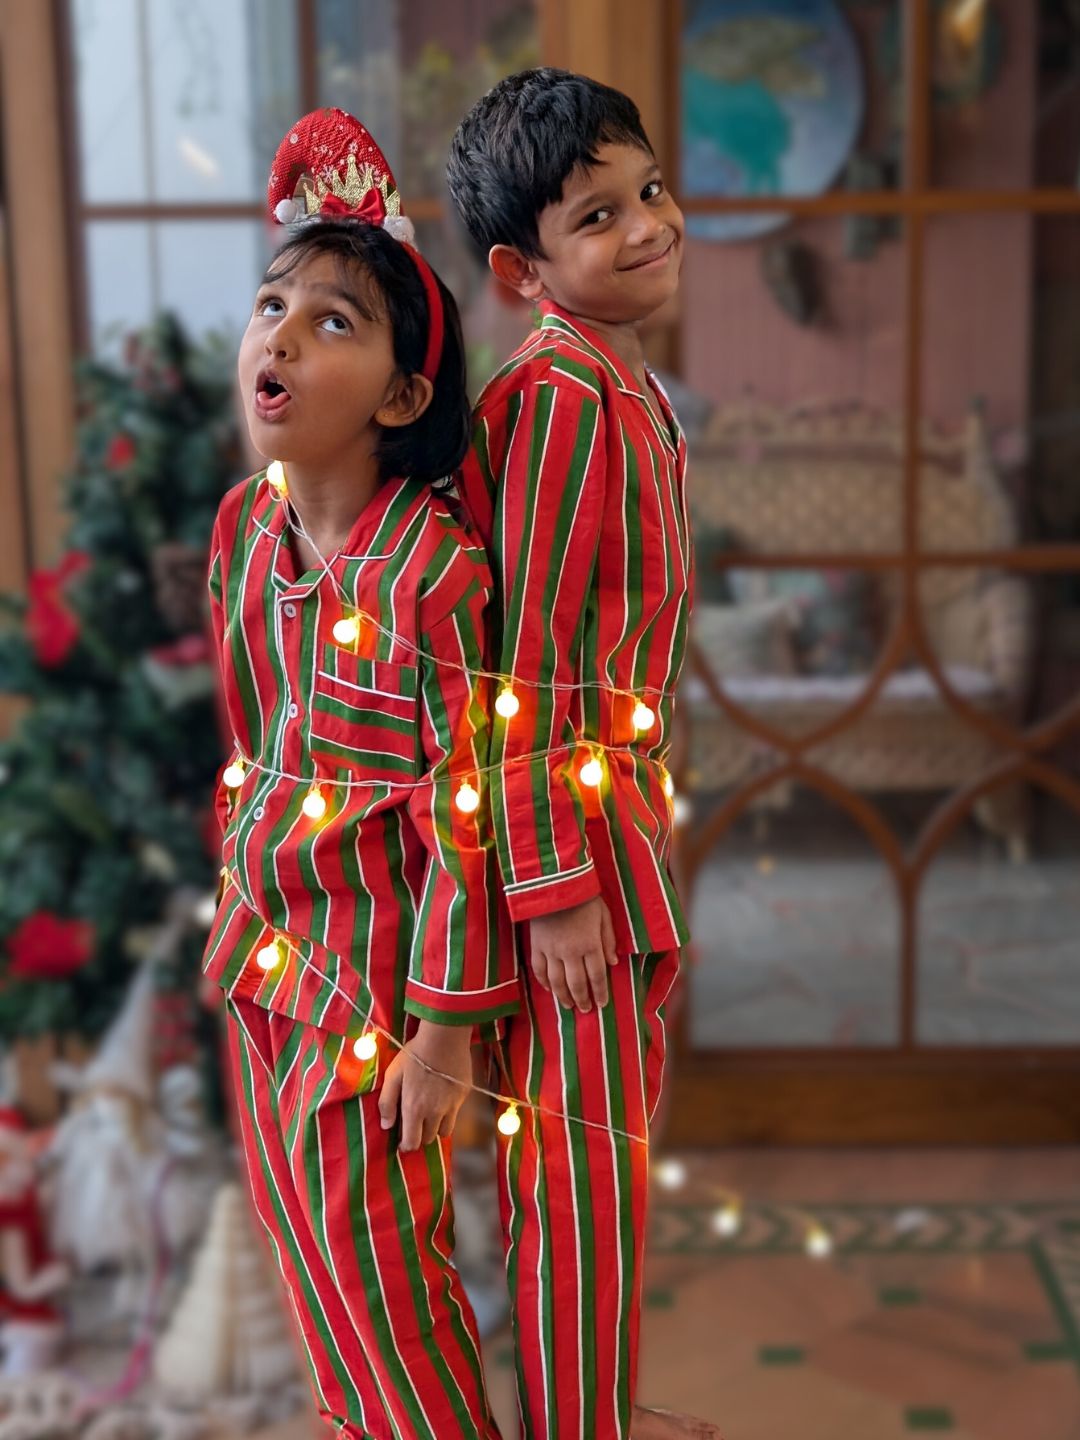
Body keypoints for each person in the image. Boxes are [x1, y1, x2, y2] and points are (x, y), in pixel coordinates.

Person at [202, 108, 516, 1439]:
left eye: (333, 320)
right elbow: (248, 734)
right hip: (264, 978)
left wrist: (447, 1027)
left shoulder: (433, 574)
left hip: (376, 1023)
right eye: (272, 305)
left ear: (400, 394)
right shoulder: (247, 531)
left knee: (389, 1293)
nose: (279, 333)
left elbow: (469, 810)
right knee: (314, 1286)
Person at [449, 70, 721, 1440]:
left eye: (652, 191)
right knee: (576, 1178)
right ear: (522, 268)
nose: (648, 226)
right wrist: (555, 882)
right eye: (599, 213)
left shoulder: (620, 383)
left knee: (598, 1169)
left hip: (616, 811)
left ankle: (590, 1410)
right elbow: (526, 663)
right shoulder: (556, 398)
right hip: (571, 843)